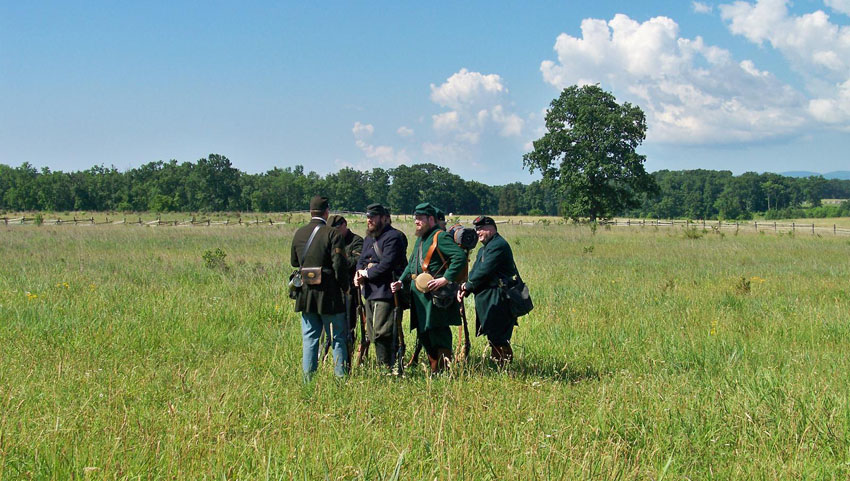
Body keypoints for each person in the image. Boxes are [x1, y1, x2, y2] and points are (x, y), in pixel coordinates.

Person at [391, 202, 466, 374]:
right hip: (420, 296)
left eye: (420, 218)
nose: (416, 221)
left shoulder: (439, 237)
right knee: (424, 333)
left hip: (436, 295)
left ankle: (443, 370)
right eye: (415, 218)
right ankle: (434, 368)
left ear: (430, 219)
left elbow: (459, 257)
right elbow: (411, 264)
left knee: (438, 332)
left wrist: (445, 279)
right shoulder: (421, 238)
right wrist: (401, 282)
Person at [290, 196, 349, 380]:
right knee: (338, 337)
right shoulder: (333, 234)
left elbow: (294, 262)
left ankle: (309, 380)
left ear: (310, 211)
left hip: (306, 293)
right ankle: (341, 379)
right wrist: (344, 287)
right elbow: (339, 265)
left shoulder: (299, 233)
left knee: (310, 339)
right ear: (326, 212)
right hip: (329, 294)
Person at [457, 216, 518, 365]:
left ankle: (503, 368)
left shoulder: (498, 245)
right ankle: (500, 366)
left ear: (491, 228)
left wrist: (467, 286)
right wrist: (466, 287)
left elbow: (484, 270)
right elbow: (476, 271)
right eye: (477, 229)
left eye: (481, 229)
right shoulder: (485, 248)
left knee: (499, 336)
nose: (478, 233)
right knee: (493, 334)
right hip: (490, 297)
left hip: (499, 297)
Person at [353, 203, 407, 370]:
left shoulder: (393, 237)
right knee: (371, 332)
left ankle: (387, 367)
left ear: (384, 218)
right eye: (368, 217)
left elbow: (387, 264)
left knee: (382, 332)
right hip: (369, 291)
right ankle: (382, 366)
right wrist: (358, 273)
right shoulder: (369, 238)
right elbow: (361, 260)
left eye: (373, 217)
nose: (369, 220)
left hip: (385, 291)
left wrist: (367, 273)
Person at [327, 214, 363, 363]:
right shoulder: (331, 240)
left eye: (336, 228)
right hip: (332, 290)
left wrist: (337, 262)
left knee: (349, 327)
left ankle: (347, 358)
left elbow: (355, 262)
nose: (334, 232)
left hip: (349, 290)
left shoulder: (356, 241)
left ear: (344, 225)